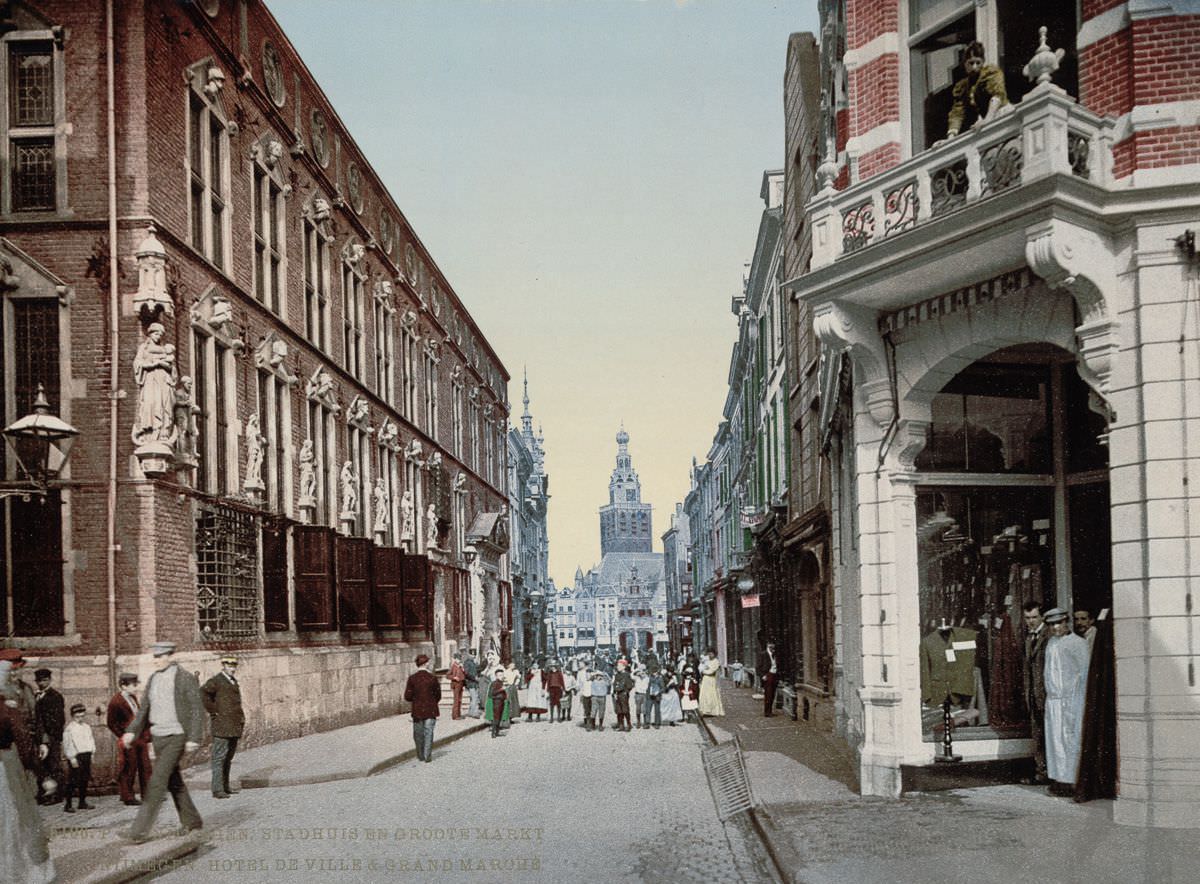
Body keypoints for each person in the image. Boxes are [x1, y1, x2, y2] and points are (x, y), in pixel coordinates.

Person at [122, 641, 205, 844]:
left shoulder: (184, 678)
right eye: (155, 657)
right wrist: (132, 732)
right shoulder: (153, 679)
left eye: (160, 657)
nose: (157, 660)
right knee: (173, 781)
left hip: (176, 735)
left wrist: (194, 738)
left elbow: (196, 709)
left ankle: (138, 831)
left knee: (157, 780)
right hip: (158, 736)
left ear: (170, 656)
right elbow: (144, 710)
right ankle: (192, 821)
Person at [0, 659, 54, 884]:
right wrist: (43, 775)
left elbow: (34, 722)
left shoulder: (19, 694)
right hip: (8, 764)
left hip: (12, 760)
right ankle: (28, 875)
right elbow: (21, 738)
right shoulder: (6, 706)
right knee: (19, 818)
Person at [1043, 608, 1090, 796]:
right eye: (1052, 624)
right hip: (1053, 700)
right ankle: (1059, 779)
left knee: (1070, 738)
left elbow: (1084, 672)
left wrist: (1077, 696)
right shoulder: (1051, 643)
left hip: (1071, 699)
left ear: (1066, 622)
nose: (1055, 627)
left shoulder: (1077, 643)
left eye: (1059, 623)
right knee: (1055, 740)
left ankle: (1072, 780)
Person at [201, 654, 245, 798]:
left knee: (228, 757)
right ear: (223, 666)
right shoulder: (216, 681)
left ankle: (226, 787)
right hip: (222, 725)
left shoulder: (233, 681)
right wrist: (214, 711)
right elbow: (202, 693)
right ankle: (217, 789)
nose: (232, 669)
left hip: (233, 725)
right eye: (229, 666)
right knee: (219, 757)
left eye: (233, 666)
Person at [945, 41, 1009, 139]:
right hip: (988, 119)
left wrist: (987, 120)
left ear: (982, 62)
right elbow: (957, 113)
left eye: (978, 63)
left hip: (1001, 113)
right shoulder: (963, 86)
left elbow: (997, 96)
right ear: (965, 64)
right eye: (971, 63)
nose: (974, 67)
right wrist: (951, 137)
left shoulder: (990, 73)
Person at [107, 672, 151, 806]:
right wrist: (123, 736)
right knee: (129, 768)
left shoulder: (132, 697)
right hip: (128, 740)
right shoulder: (116, 701)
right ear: (123, 686)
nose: (135, 687)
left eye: (136, 684)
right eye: (133, 685)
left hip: (140, 737)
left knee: (146, 767)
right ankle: (127, 796)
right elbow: (111, 723)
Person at [132, 322, 177, 446]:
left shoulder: (165, 349)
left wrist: (164, 365)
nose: (158, 336)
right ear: (150, 334)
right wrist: (152, 364)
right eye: (156, 333)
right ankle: (149, 432)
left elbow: (173, 369)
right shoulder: (144, 348)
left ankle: (163, 431)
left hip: (163, 382)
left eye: (160, 334)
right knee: (150, 403)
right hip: (150, 381)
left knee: (163, 405)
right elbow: (138, 363)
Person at [1022, 601, 1050, 785]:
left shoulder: (1049, 636)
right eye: (1027, 618)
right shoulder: (1028, 638)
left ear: (1041, 617)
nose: (1030, 621)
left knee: (1050, 735)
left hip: (1048, 695)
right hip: (1033, 694)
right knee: (1038, 735)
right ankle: (1041, 772)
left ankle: (1052, 774)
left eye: (1034, 617)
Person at [32, 668, 65, 805]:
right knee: (41, 766)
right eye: (39, 681)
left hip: (51, 737)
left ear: (50, 680)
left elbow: (58, 720)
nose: (42, 683)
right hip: (39, 737)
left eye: (45, 680)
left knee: (53, 765)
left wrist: (50, 738)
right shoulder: (36, 696)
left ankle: (56, 795)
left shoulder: (55, 696)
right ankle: (43, 793)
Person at [403, 654, 441, 763]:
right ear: (426, 664)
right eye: (428, 662)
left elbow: (407, 696)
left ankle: (420, 755)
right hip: (431, 710)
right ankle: (427, 755)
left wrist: (416, 700)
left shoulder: (412, 679)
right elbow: (438, 695)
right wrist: (432, 702)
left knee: (418, 733)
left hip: (417, 710)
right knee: (429, 732)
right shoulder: (432, 678)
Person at [62, 703, 95, 813]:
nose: (80, 718)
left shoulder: (87, 727)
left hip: (86, 755)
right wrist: (72, 758)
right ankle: (68, 804)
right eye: (77, 717)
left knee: (84, 779)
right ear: (72, 716)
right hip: (76, 756)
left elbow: (91, 740)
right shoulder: (69, 729)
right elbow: (68, 744)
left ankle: (82, 802)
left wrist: (92, 752)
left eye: (82, 716)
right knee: (73, 780)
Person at [699, 649, 725, 717]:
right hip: (705, 680)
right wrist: (703, 670)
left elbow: (711, 671)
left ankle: (712, 711)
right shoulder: (707, 661)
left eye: (711, 654)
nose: (710, 655)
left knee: (711, 694)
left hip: (711, 680)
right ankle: (705, 710)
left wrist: (703, 671)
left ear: (714, 654)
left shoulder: (716, 662)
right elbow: (701, 667)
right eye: (709, 654)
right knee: (704, 694)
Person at [612, 660, 634, 732]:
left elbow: (630, 685)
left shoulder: (627, 675)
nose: (617, 667)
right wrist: (615, 692)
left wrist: (626, 692)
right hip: (618, 694)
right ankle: (621, 725)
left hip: (623, 694)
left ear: (624, 667)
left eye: (619, 666)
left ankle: (628, 724)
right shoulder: (617, 675)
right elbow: (615, 684)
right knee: (619, 710)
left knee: (625, 710)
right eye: (617, 665)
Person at [758, 641, 779, 717]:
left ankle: (770, 710)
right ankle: (767, 712)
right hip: (768, 675)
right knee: (768, 694)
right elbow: (758, 667)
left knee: (773, 694)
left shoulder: (775, 654)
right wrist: (762, 675)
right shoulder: (763, 654)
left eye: (773, 646)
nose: (772, 647)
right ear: (767, 646)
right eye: (770, 646)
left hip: (775, 675)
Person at [487, 668, 508, 738]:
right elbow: (491, 693)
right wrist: (501, 689)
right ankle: (493, 732)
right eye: (499, 675)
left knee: (500, 716)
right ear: (496, 676)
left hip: (501, 701)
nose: (501, 676)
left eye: (502, 675)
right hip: (496, 701)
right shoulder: (494, 683)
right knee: (496, 717)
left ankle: (497, 731)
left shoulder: (501, 682)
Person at [589, 667, 611, 731]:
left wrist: (605, 675)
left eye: (600, 675)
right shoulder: (593, 680)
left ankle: (600, 725)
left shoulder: (604, 681)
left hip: (602, 697)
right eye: (598, 675)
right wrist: (595, 674)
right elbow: (589, 678)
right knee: (593, 711)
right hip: (594, 697)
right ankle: (592, 725)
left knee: (601, 712)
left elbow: (610, 682)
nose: (599, 676)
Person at [680, 656, 700, 723]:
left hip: (690, 695)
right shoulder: (684, 680)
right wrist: (682, 690)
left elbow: (695, 688)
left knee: (691, 706)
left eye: (690, 675)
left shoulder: (693, 681)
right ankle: (684, 717)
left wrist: (692, 692)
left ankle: (693, 717)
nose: (688, 676)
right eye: (687, 675)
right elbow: (682, 686)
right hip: (685, 694)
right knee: (684, 706)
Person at [448, 652, 467, 720]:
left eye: (460, 659)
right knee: (456, 700)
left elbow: (465, 674)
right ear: (455, 659)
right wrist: (454, 677)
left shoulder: (460, 666)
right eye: (458, 659)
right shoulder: (453, 666)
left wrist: (463, 669)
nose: (459, 660)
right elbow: (447, 675)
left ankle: (458, 714)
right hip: (456, 684)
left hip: (461, 684)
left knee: (459, 700)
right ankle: (455, 715)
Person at [463, 649, 481, 718]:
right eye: (472, 655)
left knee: (473, 698)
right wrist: (474, 678)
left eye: (474, 655)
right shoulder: (467, 663)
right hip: (470, 683)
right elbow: (466, 673)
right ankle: (474, 713)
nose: (473, 656)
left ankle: (471, 712)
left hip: (474, 683)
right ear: (469, 655)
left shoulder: (473, 662)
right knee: (474, 698)